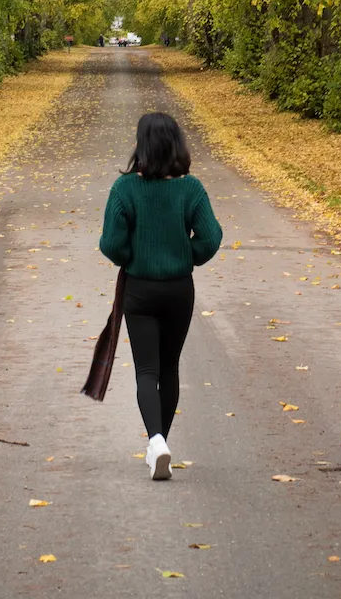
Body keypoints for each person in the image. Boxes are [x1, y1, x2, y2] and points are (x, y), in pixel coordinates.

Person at [98, 111, 223, 480]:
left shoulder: (125, 189)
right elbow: (211, 238)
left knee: (146, 370)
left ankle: (156, 441)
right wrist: (187, 256)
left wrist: (132, 258)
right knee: (169, 368)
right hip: (179, 290)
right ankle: (160, 444)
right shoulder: (191, 189)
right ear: (176, 144)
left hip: (140, 290)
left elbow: (110, 243)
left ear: (141, 145)